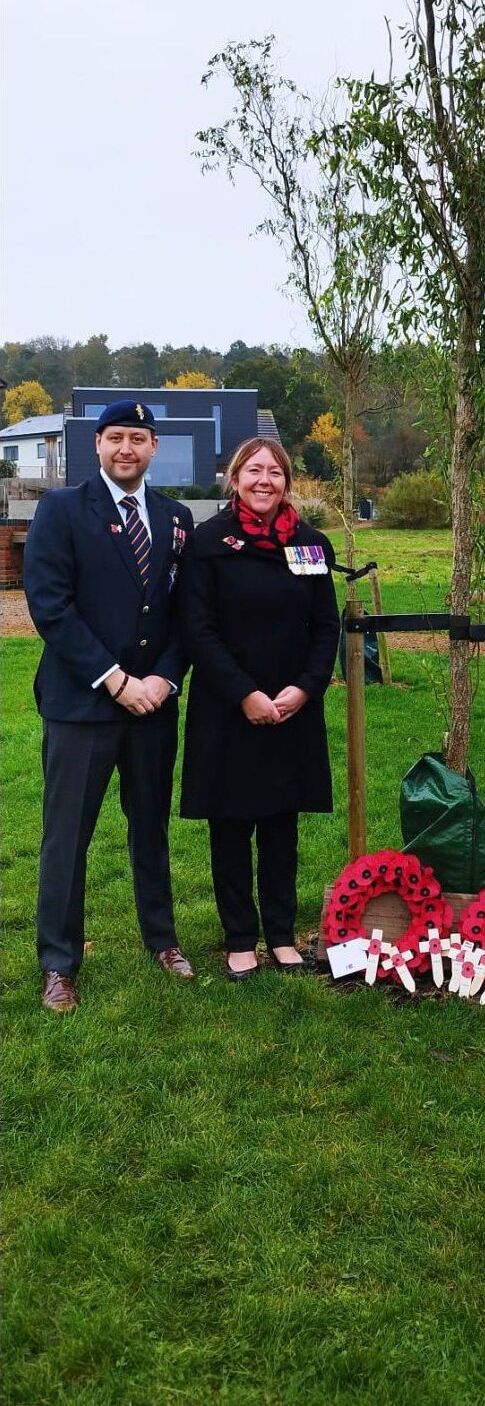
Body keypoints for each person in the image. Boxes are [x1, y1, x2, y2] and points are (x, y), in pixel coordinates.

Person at [23, 400, 196, 1012]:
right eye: (116, 437)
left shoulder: (175, 518)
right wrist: (116, 680)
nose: (127, 448)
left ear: (154, 447)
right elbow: (50, 605)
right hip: (83, 704)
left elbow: (185, 613)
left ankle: (163, 940)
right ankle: (59, 963)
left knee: (150, 827)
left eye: (138, 438)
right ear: (97, 444)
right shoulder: (62, 510)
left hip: (153, 706)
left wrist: (165, 679)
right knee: (67, 836)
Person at [179, 437, 340, 979]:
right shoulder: (208, 543)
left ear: (287, 481)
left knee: (280, 823)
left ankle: (281, 934)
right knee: (230, 824)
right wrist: (244, 693)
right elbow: (197, 629)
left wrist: (306, 688)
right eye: (253, 470)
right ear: (234, 478)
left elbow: (325, 626)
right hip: (228, 706)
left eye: (274, 471)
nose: (263, 480)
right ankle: (240, 938)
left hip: (292, 707)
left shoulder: (311, 545)